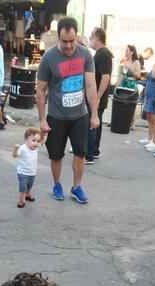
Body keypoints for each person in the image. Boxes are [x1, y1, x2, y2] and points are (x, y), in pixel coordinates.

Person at [36, 16, 99, 204]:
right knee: (56, 155)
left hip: (80, 116)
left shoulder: (85, 55)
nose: (69, 46)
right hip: (56, 116)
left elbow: (90, 86)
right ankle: (57, 184)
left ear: (76, 36)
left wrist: (94, 114)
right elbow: (40, 90)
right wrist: (42, 119)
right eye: (65, 41)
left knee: (80, 153)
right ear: (58, 37)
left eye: (72, 41)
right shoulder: (49, 58)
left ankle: (77, 187)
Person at [87, 26, 112, 164]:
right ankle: (94, 151)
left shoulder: (103, 53)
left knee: (92, 123)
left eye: (91, 36)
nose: (90, 39)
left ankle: (89, 153)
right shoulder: (101, 53)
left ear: (97, 37)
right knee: (97, 123)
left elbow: (105, 77)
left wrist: (96, 97)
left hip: (97, 97)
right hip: (97, 97)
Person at [13, 127, 42, 208]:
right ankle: (21, 200)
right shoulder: (22, 148)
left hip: (32, 172)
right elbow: (15, 156)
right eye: (33, 140)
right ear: (26, 140)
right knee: (23, 187)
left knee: (29, 185)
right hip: (22, 172)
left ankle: (28, 194)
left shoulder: (36, 147)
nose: (36, 143)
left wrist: (45, 134)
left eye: (37, 141)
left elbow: (43, 141)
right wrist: (15, 149)